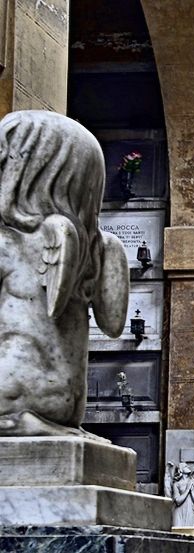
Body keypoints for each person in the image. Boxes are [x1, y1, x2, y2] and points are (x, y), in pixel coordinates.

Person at [0, 111, 128, 437]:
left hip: (11, 388)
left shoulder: (10, 241)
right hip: (66, 401)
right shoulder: (105, 248)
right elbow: (113, 324)